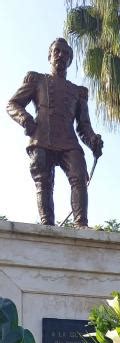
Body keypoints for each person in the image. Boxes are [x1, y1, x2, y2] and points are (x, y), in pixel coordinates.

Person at [7, 38, 103, 228]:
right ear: (49, 55)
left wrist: (93, 140)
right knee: (44, 182)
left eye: (66, 53)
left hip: (68, 141)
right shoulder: (37, 80)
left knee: (79, 175)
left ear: (70, 60)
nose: (61, 55)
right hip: (41, 137)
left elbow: (83, 125)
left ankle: (81, 224)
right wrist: (24, 118)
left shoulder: (77, 92)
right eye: (57, 51)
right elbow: (13, 103)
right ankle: (47, 226)